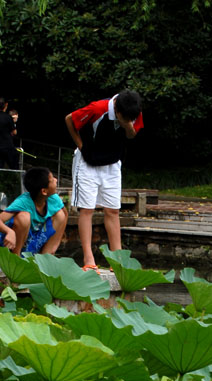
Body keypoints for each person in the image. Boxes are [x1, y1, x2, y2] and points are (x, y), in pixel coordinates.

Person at [65, 90, 143, 269]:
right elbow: (69, 119)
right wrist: (81, 145)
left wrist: (127, 125)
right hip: (87, 162)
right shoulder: (97, 109)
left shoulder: (133, 109)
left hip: (112, 163)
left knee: (113, 210)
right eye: (126, 118)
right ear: (117, 110)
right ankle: (89, 259)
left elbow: (132, 135)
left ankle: (117, 260)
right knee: (87, 210)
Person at [0, 166, 68, 256]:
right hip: (10, 243)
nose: (56, 180)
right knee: (23, 217)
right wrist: (9, 232)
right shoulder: (23, 202)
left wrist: (56, 243)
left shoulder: (54, 199)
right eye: (52, 180)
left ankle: (46, 258)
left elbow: (65, 215)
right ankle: (16, 258)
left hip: (33, 240)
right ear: (44, 191)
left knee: (60, 215)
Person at [0, 98, 19, 170]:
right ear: (6, 105)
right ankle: (16, 180)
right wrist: (14, 122)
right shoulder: (8, 117)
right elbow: (14, 132)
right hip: (7, 146)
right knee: (14, 168)